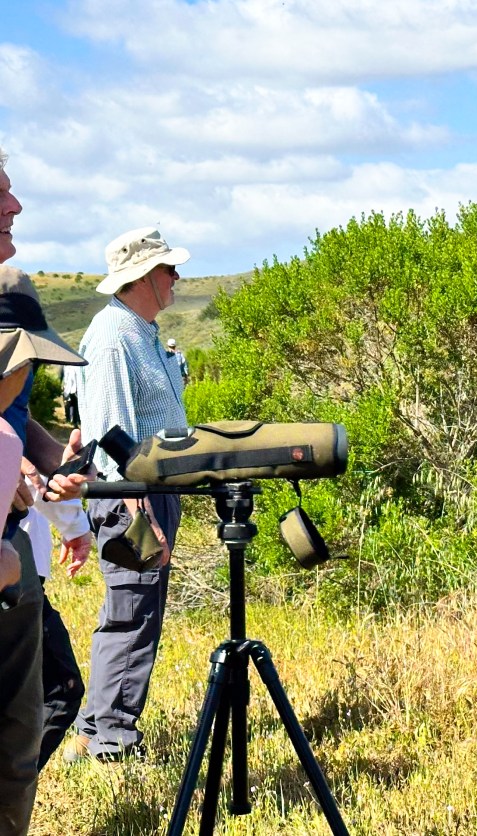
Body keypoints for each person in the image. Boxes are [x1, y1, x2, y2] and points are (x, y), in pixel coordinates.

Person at [66, 226, 190, 763]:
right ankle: (110, 740)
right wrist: (140, 510)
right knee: (131, 613)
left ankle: (95, 728)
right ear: (142, 277)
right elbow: (112, 430)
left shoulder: (139, 332)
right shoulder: (115, 335)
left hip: (147, 492)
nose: (176, 277)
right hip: (129, 494)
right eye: (168, 269)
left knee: (135, 609)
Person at [0, 148, 88, 836]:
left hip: (10, 548)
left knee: (49, 696)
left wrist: (49, 463)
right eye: (0, 195)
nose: (17, 207)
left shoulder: (15, 295)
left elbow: (15, 417)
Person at [19, 461, 91, 770]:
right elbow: (25, 475)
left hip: (22, 573)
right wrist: (73, 523)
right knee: (60, 690)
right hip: (15, 575)